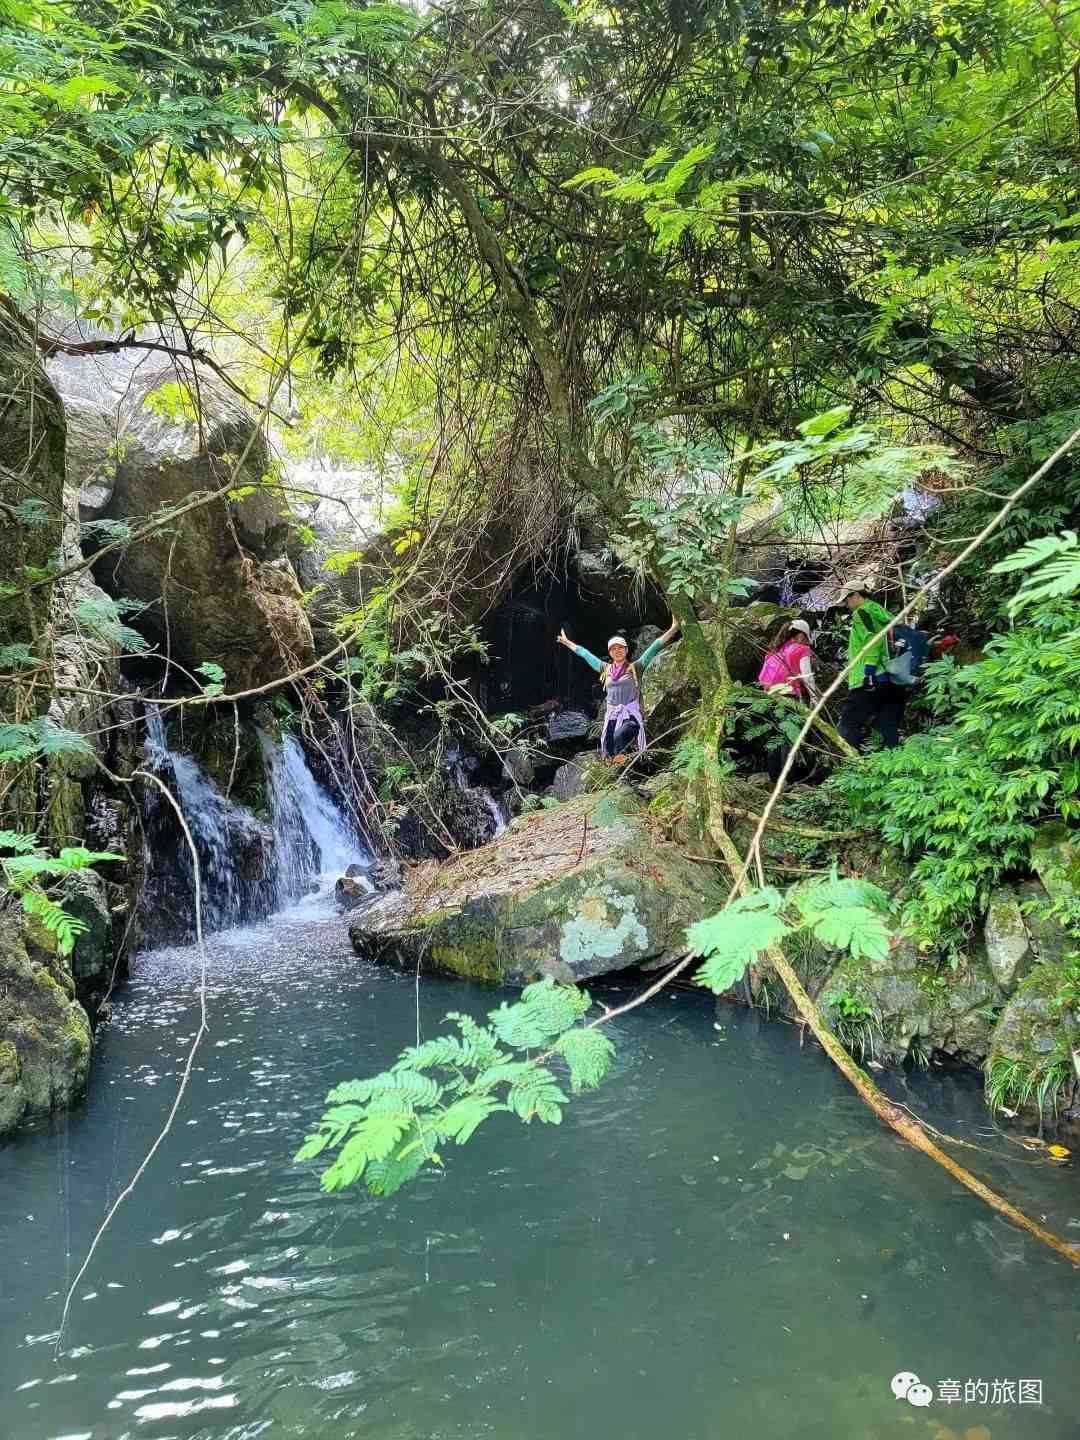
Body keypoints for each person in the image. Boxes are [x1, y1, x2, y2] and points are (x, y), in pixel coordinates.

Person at [557, 620, 680, 760]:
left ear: (626, 650)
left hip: (631, 714)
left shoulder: (636, 667)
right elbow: (585, 654)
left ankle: (623, 759)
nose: (617, 651)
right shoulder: (605, 668)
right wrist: (567, 643)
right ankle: (619, 765)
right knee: (608, 749)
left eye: (620, 648)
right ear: (610, 652)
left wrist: (673, 629)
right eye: (613, 649)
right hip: (612, 715)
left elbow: (654, 647)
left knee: (619, 736)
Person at [837, 584, 907, 749]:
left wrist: (868, 671)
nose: (846, 605)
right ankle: (894, 764)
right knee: (886, 723)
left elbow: (872, 641)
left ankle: (851, 767)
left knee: (847, 724)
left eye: (846, 600)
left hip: (868, 678)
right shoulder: (882, 613)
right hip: (890, 677)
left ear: (855, 595)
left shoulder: (862, 613)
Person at [757, 619, 819, 782]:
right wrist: (814, 697)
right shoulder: (801, 649)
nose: (807, 642)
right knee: (788, 738)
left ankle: (774, 778)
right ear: (799, 635)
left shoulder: (773, 651)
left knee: (775, 735)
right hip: (789, 696)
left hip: (769, 697)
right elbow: (807, 676)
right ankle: (787, 779)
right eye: (806, 638)